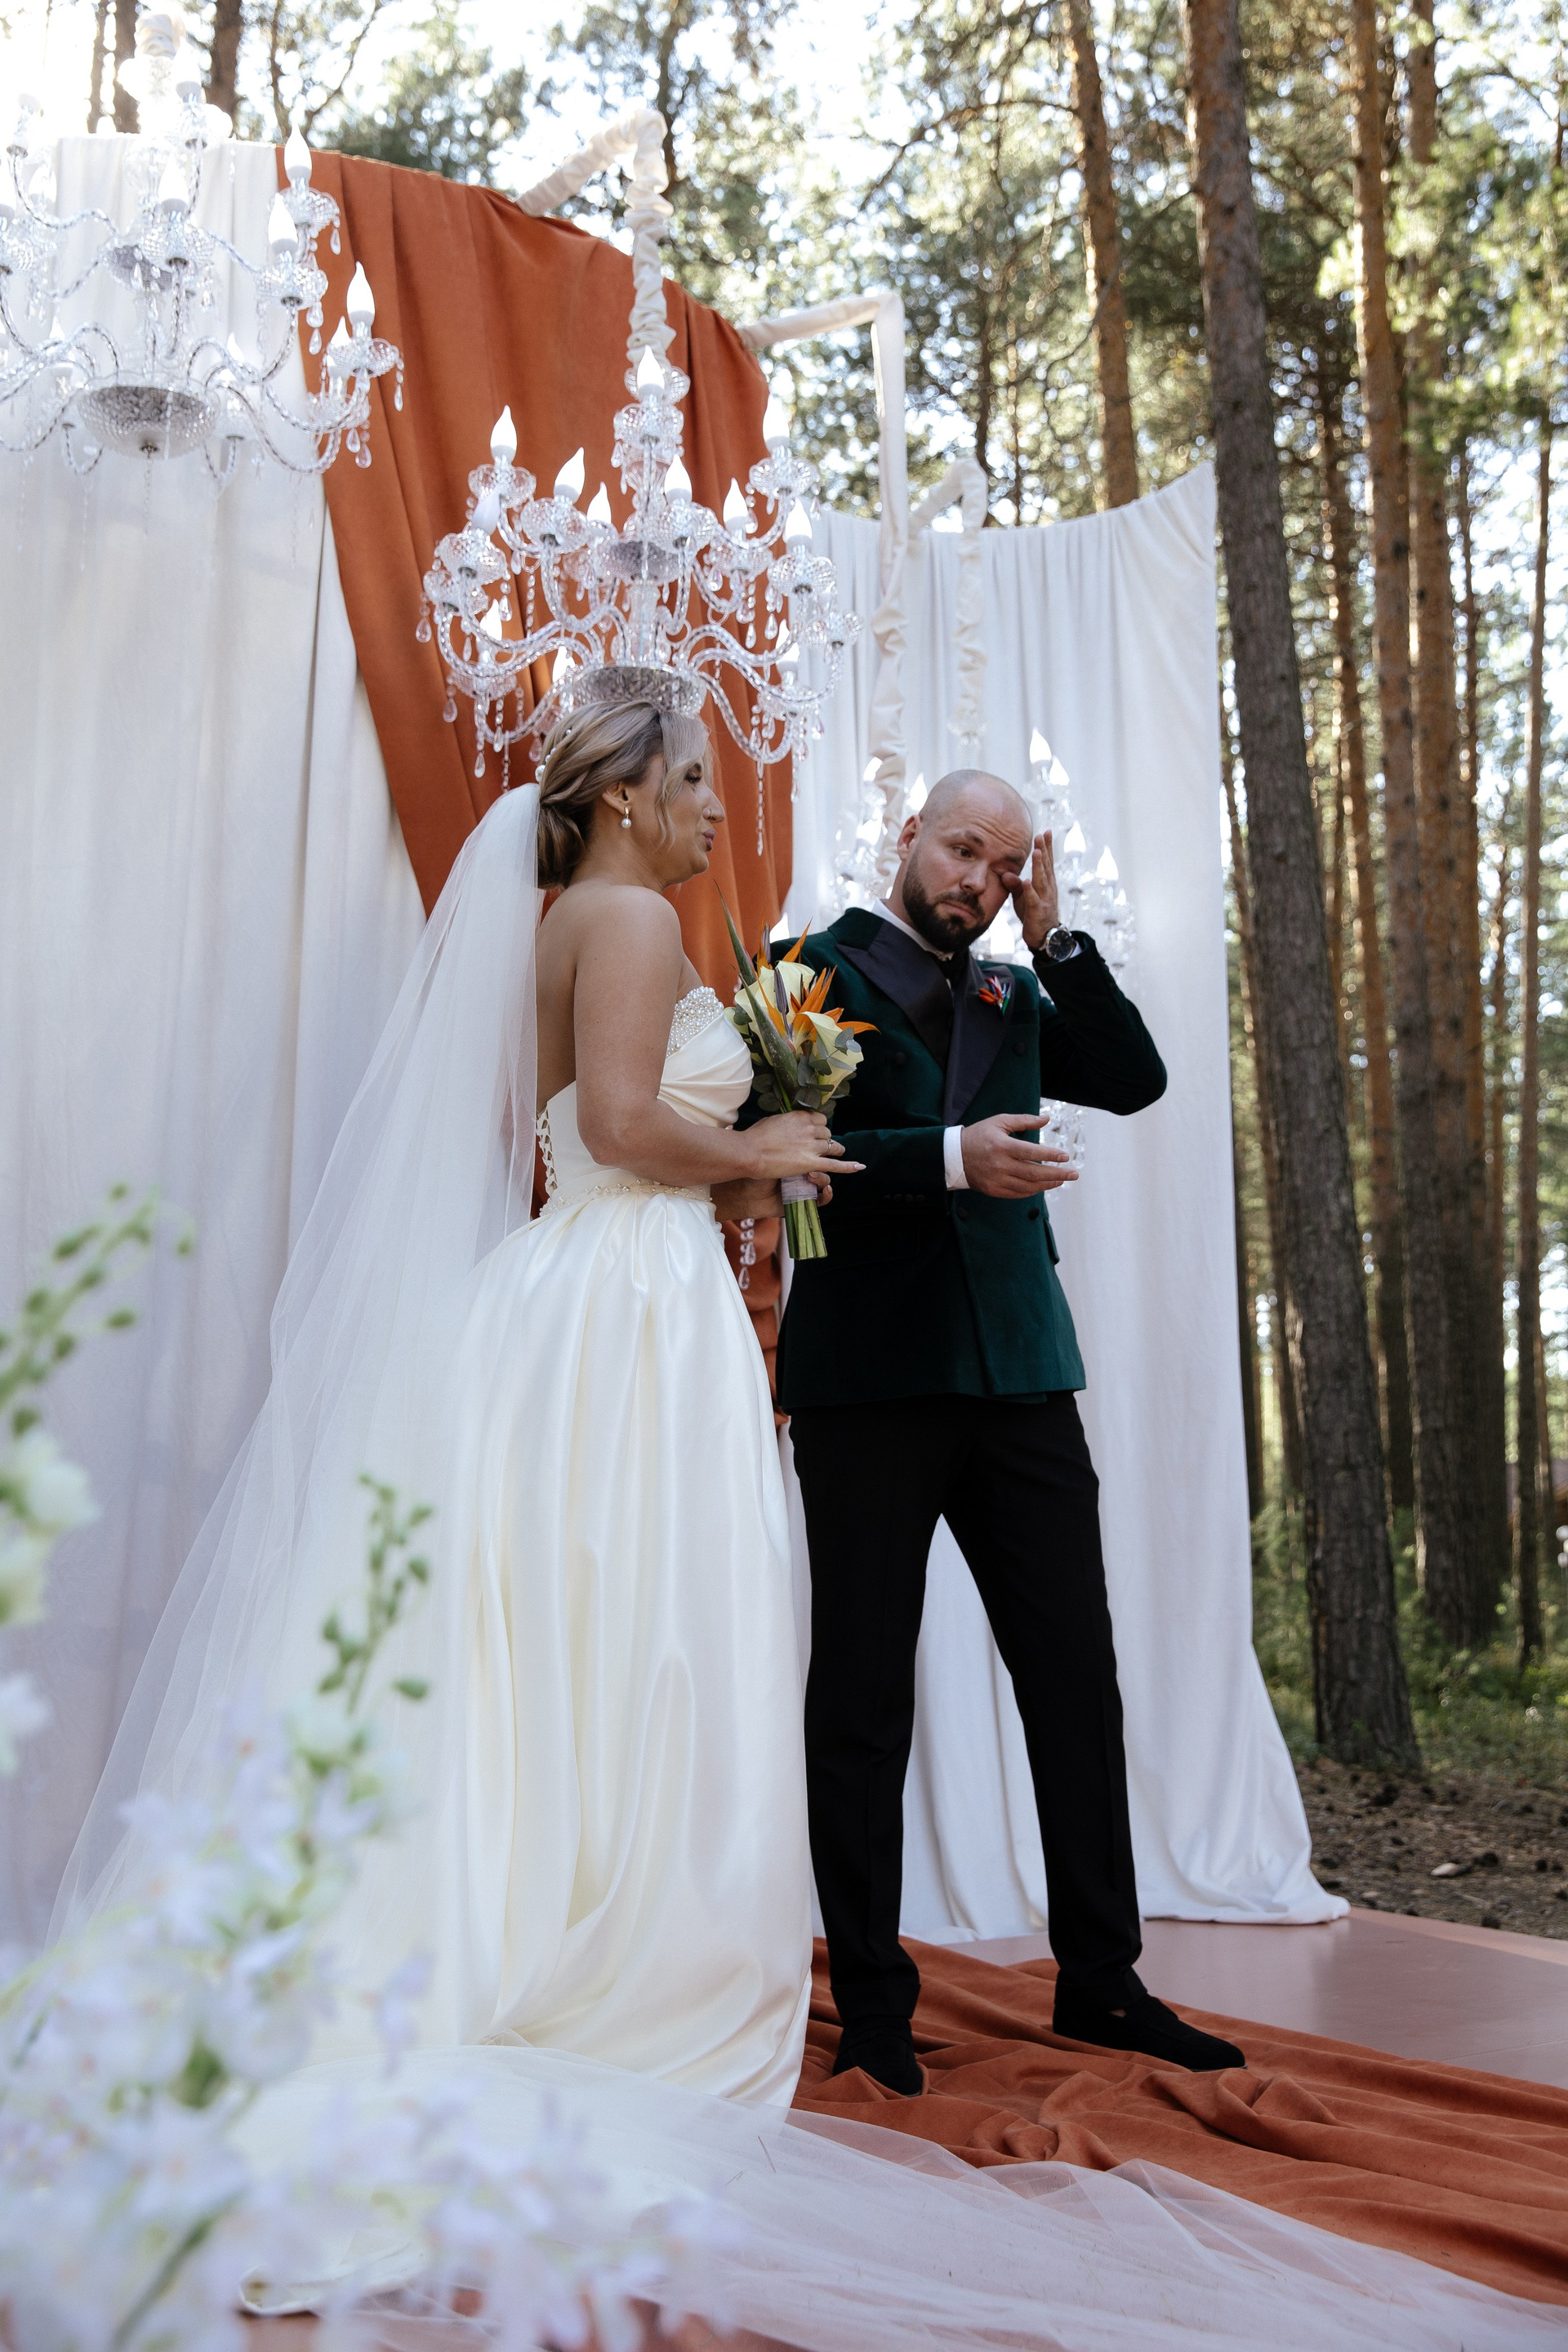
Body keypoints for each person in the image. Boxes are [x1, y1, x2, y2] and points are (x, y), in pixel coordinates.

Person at [56, 697, 850, 2105]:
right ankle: (617, 1951)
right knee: (642, 1623)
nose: (717, 810)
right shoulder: (632, 920)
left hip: (596, 1278)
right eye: (694, 781)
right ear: (625, 799)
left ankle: (541, 1913)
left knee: (570, 1627)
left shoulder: (569, 923)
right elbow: (614, 1125)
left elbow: (597, 1136)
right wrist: (757, 1146)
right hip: (629, 1306)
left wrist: (744, 1171)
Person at [779, 768, 1245, 2095]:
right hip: (871, 1381)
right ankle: (874, 2004)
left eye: (1004, 866)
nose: (978, 881)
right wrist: (948, 1158)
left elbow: (1136, 1080)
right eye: (963, 851)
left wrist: (1056, 940)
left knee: (1075, 1676)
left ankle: (1102, 1980)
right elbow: (787, 1163)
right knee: (862, 1696)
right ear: (907, 837)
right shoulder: (803, 976)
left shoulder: (1015, 988)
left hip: (1025, 1377)